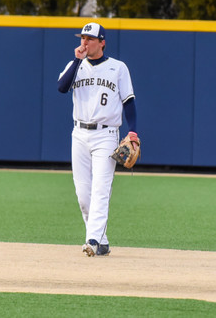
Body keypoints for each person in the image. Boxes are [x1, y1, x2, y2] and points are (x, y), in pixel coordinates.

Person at [56, 22, 138, 257]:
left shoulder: (118, 68)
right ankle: (101, 241)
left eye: (90, 39)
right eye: (82, 37)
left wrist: (132, 131)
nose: (84, 42)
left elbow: (129, 102)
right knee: (83, 194)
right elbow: (62, 87)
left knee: (101, 188)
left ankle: (92, 239)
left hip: (106, 134)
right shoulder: (75, 66)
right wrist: (77, 60)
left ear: (102, 42)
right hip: (79, 133)